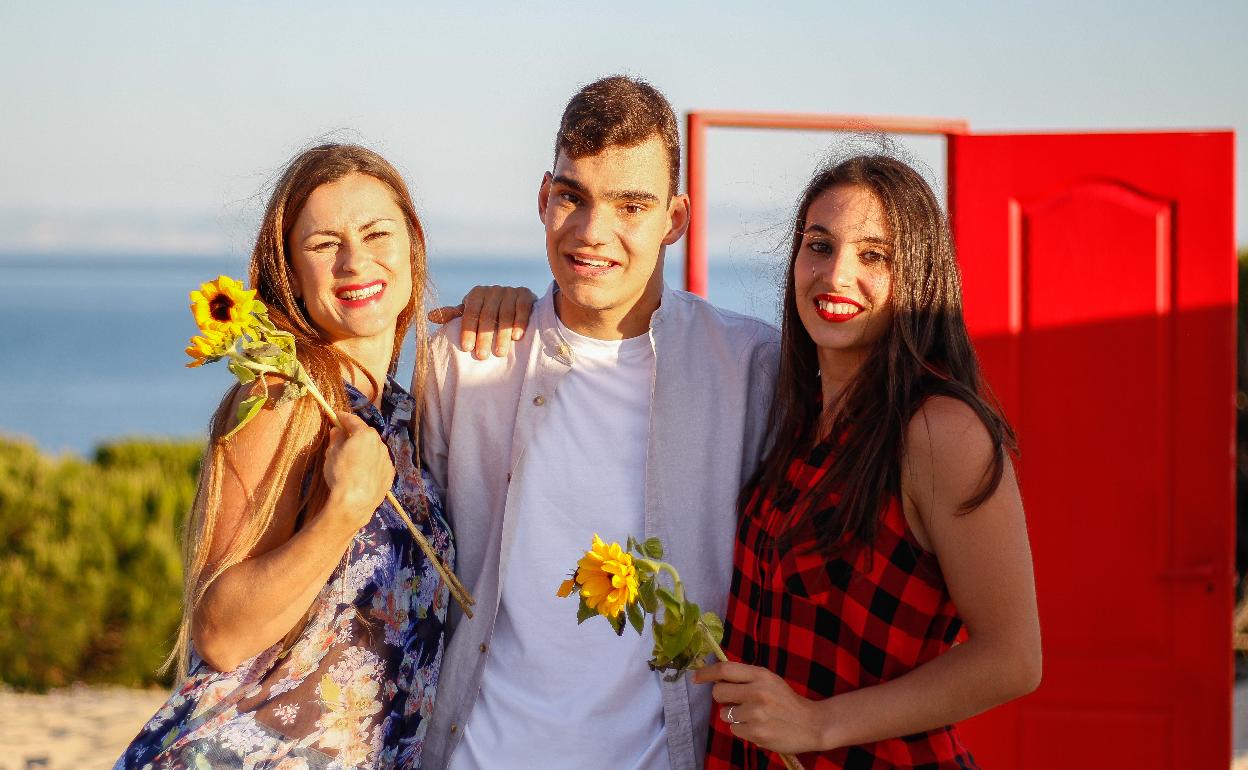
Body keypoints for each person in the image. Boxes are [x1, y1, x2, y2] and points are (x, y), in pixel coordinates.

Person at [419, 76, 780, 770]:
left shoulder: (751, 368)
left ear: (675, 219)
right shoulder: (463, 360)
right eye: (572, 197)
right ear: (542, 198)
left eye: (631, 206)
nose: (592, 232)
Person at [117, 144, 498, 769]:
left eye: (378, 233)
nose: (355, 261)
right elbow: (220, 632)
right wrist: (343, 510)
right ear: (290, 271)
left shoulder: (401, 416)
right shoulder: (284, 395)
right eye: (323, 244)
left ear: (412, 246)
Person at [696, 155, 1042, 769]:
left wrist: (818, 723)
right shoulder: (796, 419)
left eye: (874, 255)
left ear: (920, 277)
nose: (836, 275)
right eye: (819, 246)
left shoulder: (939, 430)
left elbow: (1012, 659)